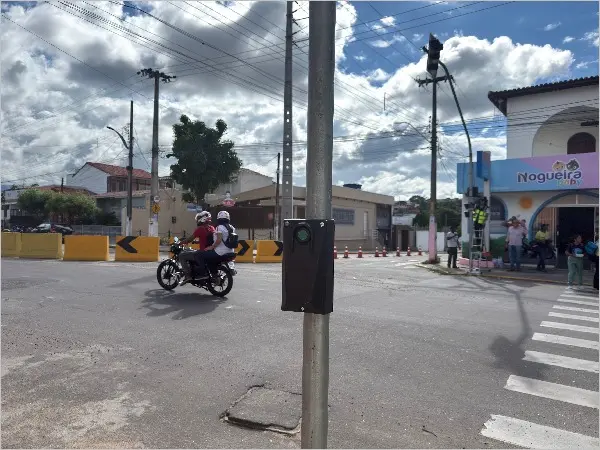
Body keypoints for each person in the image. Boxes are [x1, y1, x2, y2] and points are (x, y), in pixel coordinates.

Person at [182, 210, 237, 285]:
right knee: (210, 259)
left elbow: (219, 239)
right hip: (230, 251)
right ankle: (213, 275)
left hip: (220, 251)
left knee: (198, 254)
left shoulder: (218, 227)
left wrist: (212, 247)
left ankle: (201, 274)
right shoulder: (230, 227)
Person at [179, 211, 215, 283]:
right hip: (210, 251)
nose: (197, 220)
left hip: (202, 252)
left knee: (182, 255)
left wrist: (180, 242)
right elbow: (207, 239)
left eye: (199, 218)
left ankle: (187, 276)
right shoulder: (212, 228)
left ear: (202, 219)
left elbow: (190, 239)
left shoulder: (200, 228)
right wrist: (197, 242)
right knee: (190, 251)